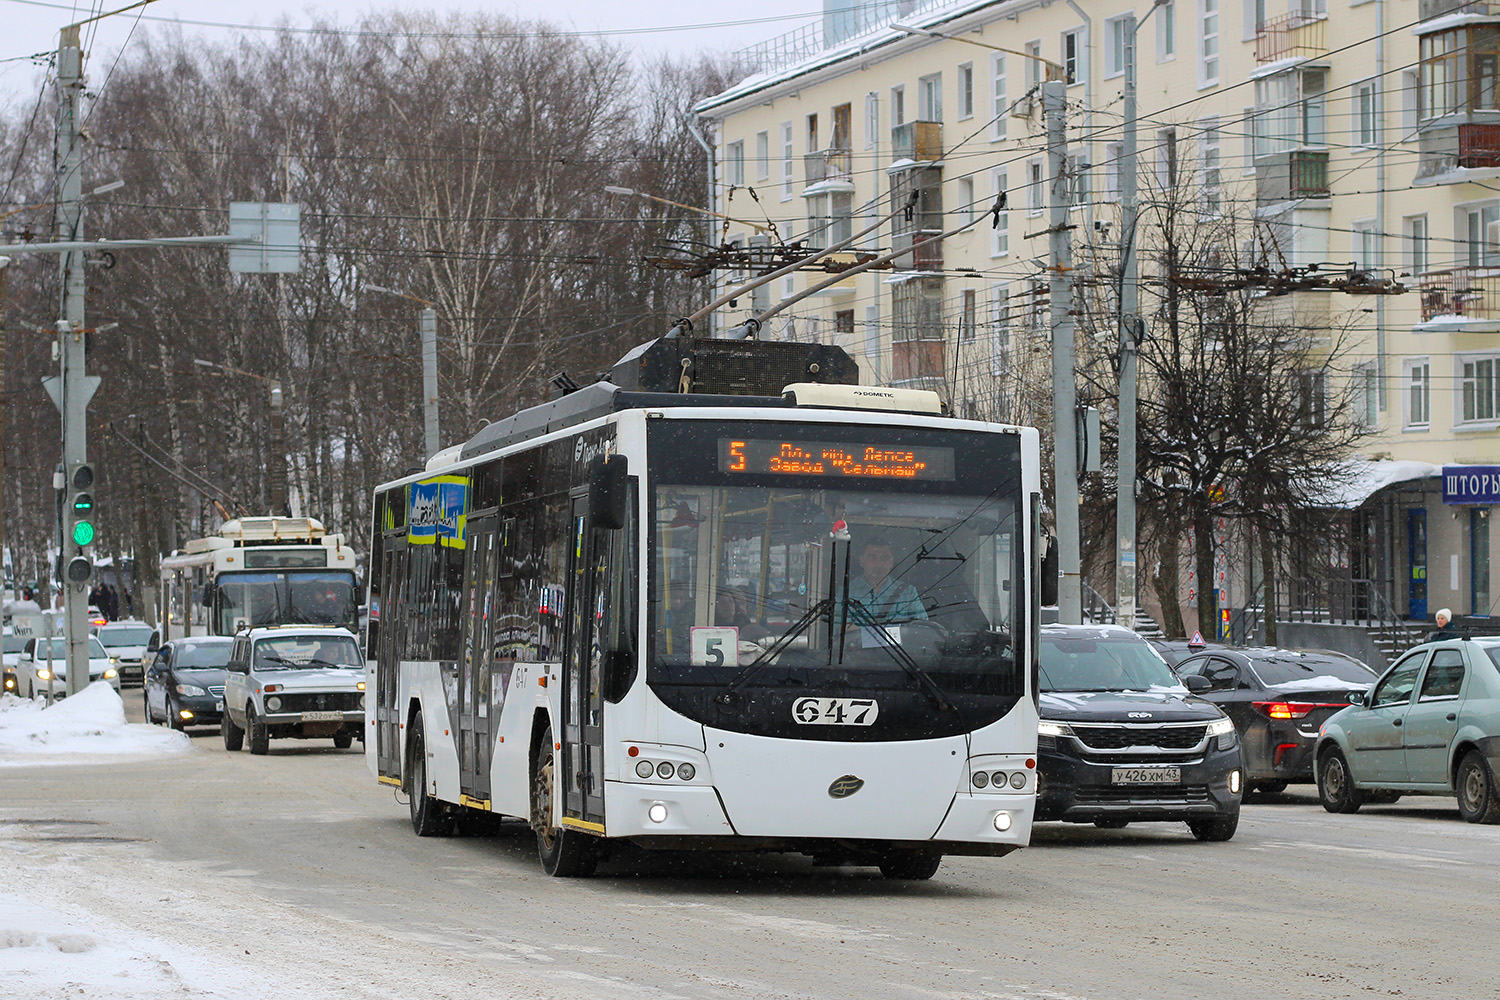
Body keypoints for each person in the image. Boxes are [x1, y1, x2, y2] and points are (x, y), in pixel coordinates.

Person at [848, 536, 927, 625]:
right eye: (872, 557)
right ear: (861, 561)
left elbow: (923, 629)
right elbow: (838, 630)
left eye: (884, 558)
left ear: (891, 562)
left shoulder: (908, 592)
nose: (879, 563)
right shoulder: (847, 592)